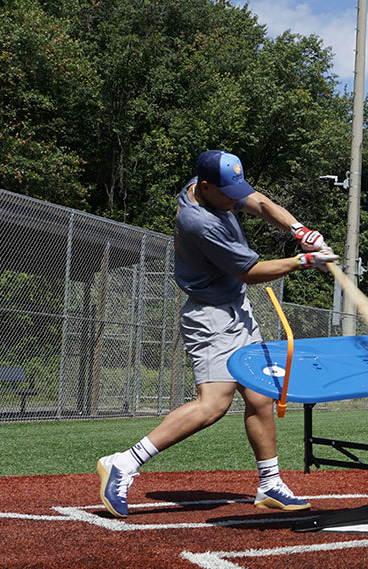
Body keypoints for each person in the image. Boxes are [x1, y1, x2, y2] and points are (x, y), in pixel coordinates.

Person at [96, 150, 338, 518]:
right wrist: (303, 260)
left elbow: (258, 201)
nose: (235, 200)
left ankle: (270, 483)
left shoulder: (204, 187)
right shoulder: (199, 223)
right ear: (207, 187)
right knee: (213, 405)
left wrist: (298, 230)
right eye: (228, 194)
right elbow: (251, 272)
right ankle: (124, 463)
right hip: (211, 316)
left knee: (259, 396)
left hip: (236, 310)